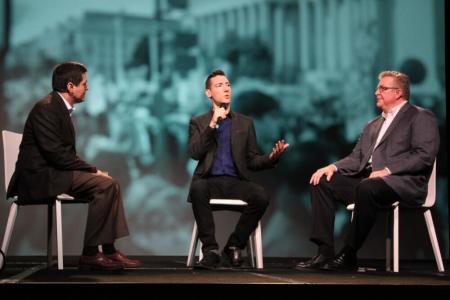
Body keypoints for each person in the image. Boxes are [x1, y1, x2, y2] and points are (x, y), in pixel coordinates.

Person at [296, 70, 439, 271]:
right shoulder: (372, 124)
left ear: (398, 92)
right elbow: (356, 159)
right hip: (369, 181)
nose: (376, 92)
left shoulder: (420, 116)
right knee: (322, 181)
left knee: (368, 187)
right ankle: (324, 252)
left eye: (382, 88)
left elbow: (424, 155)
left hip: (400, 182)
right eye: (377, 88)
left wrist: (388, 170)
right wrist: (332, 166)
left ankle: (349, 253)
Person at [7, 61, 141, 270]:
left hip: (54, 173)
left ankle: (108, 250)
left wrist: (92, 171)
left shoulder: (58, 107)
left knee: (111, 184)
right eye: (85, 83)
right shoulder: (47, 108)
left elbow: (60, 155)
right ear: (70, 86)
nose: (87, 87)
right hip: (39, 178)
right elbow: (57, 155)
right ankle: (89, 254)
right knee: (104, 185)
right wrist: (93, 170)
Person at [187, 69, 289, 269]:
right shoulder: (198, 122)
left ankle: (234, 245)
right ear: (208, 93)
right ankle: (210, 250)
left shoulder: (245, 122)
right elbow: (194, 153)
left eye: (228, 85)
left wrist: (270, 158)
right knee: (197, 188)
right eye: (219, 85)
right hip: (209, 181)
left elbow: (252, 160)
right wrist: (213, 124)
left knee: (260, 195)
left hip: (235, 181)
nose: (226, 88)